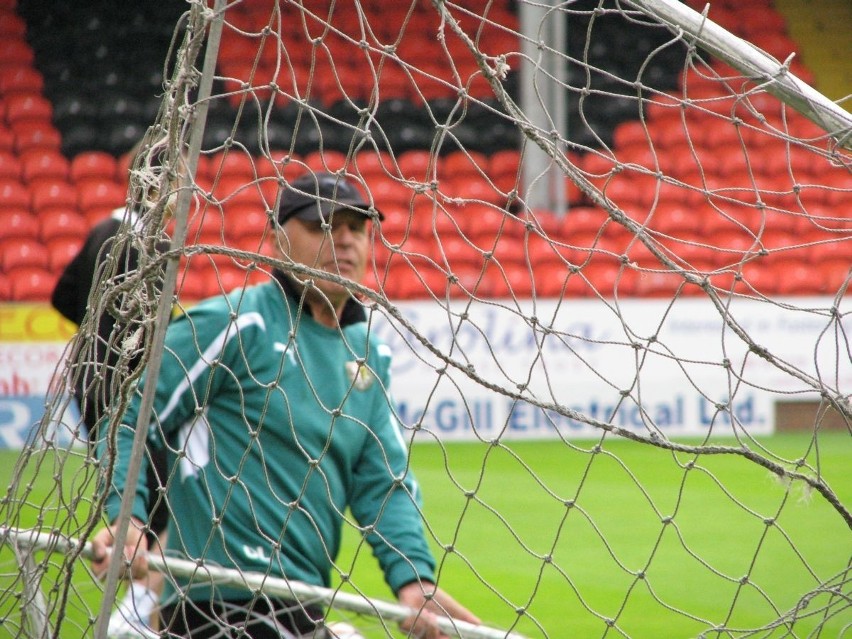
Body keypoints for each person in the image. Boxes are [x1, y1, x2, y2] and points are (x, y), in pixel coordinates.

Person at [90, 171, 480, 638]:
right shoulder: (239, 322)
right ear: (276, 239)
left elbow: (383, 484)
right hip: (217, 601)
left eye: (357, 228)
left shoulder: (367, 354)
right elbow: (131, 413)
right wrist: (127, 517)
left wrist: (415, 582)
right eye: (323, 228)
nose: (345, 242)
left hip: (302, 601)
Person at [52, 139, 180, 639]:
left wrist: (93, 334)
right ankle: (137, 614)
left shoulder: (102, 230)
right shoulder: (154, 245)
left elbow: (60, 295)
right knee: (162, 499)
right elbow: (158, 329)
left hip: (90, 383)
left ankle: (137, 608)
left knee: (138, 498)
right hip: (129, 390)